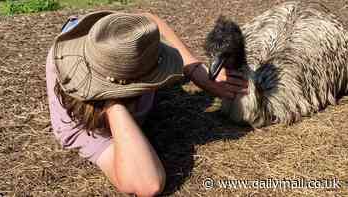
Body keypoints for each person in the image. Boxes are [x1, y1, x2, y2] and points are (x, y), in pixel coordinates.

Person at [46, 11, 248, 197]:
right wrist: (112, 101)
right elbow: (147, 184)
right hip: (94, 62)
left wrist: (196, 72)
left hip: (91, 34)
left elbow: (148, 19)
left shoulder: (119, 41)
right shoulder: (78, 125)